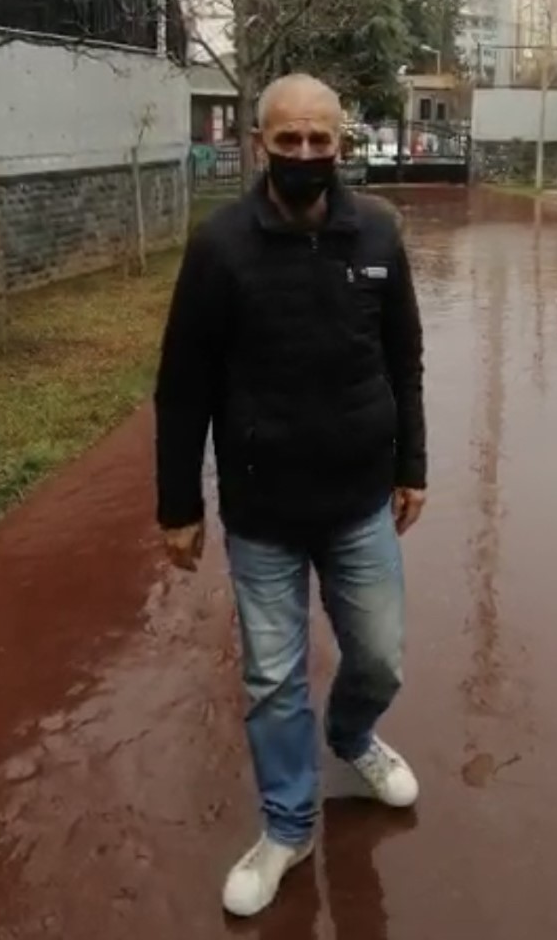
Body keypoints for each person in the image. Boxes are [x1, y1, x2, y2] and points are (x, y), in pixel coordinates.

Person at [154, 73, 427, 918]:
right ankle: (286, 824)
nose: (306, 155)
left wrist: (411, 465)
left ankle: (351, 734)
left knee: (379, 654)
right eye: (288, 141)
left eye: (320, 140)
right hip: (261, 509)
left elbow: (403, 359)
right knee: (273, 679)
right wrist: (177, 506)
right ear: (258, 143)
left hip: (356, 502)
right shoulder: (221, 246)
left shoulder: (377, 232)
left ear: (341, 142)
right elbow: (182, 385)